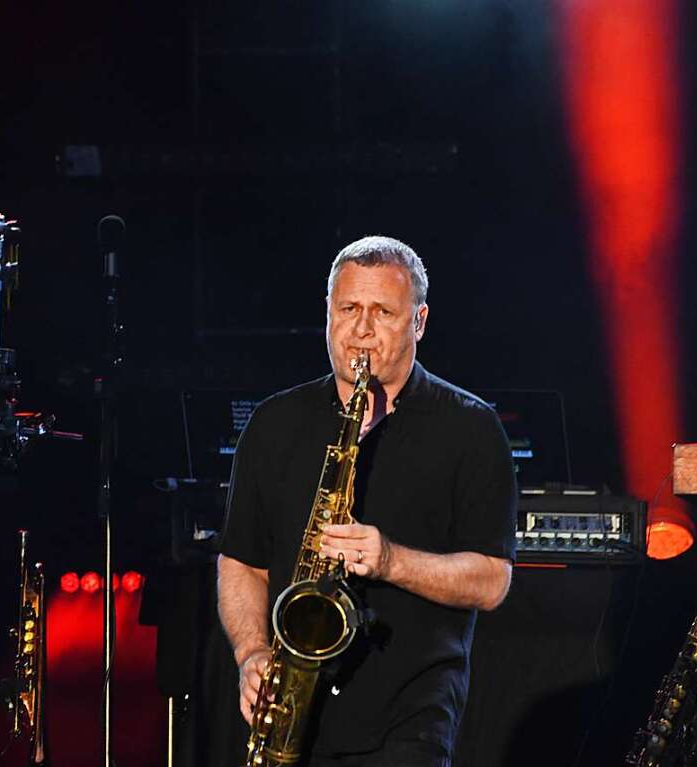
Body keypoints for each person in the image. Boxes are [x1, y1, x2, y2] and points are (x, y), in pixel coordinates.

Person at [217, 235, 518, 767]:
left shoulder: (470, 428)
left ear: (419, 322)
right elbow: (241, 560)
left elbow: (493, 581)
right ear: (327, 312)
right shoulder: (274, 423)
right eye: (348, 309)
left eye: (382, 312)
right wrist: (251, 653)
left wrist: (390, 560)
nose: (361, 330)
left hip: (409, 718)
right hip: (293, 713)